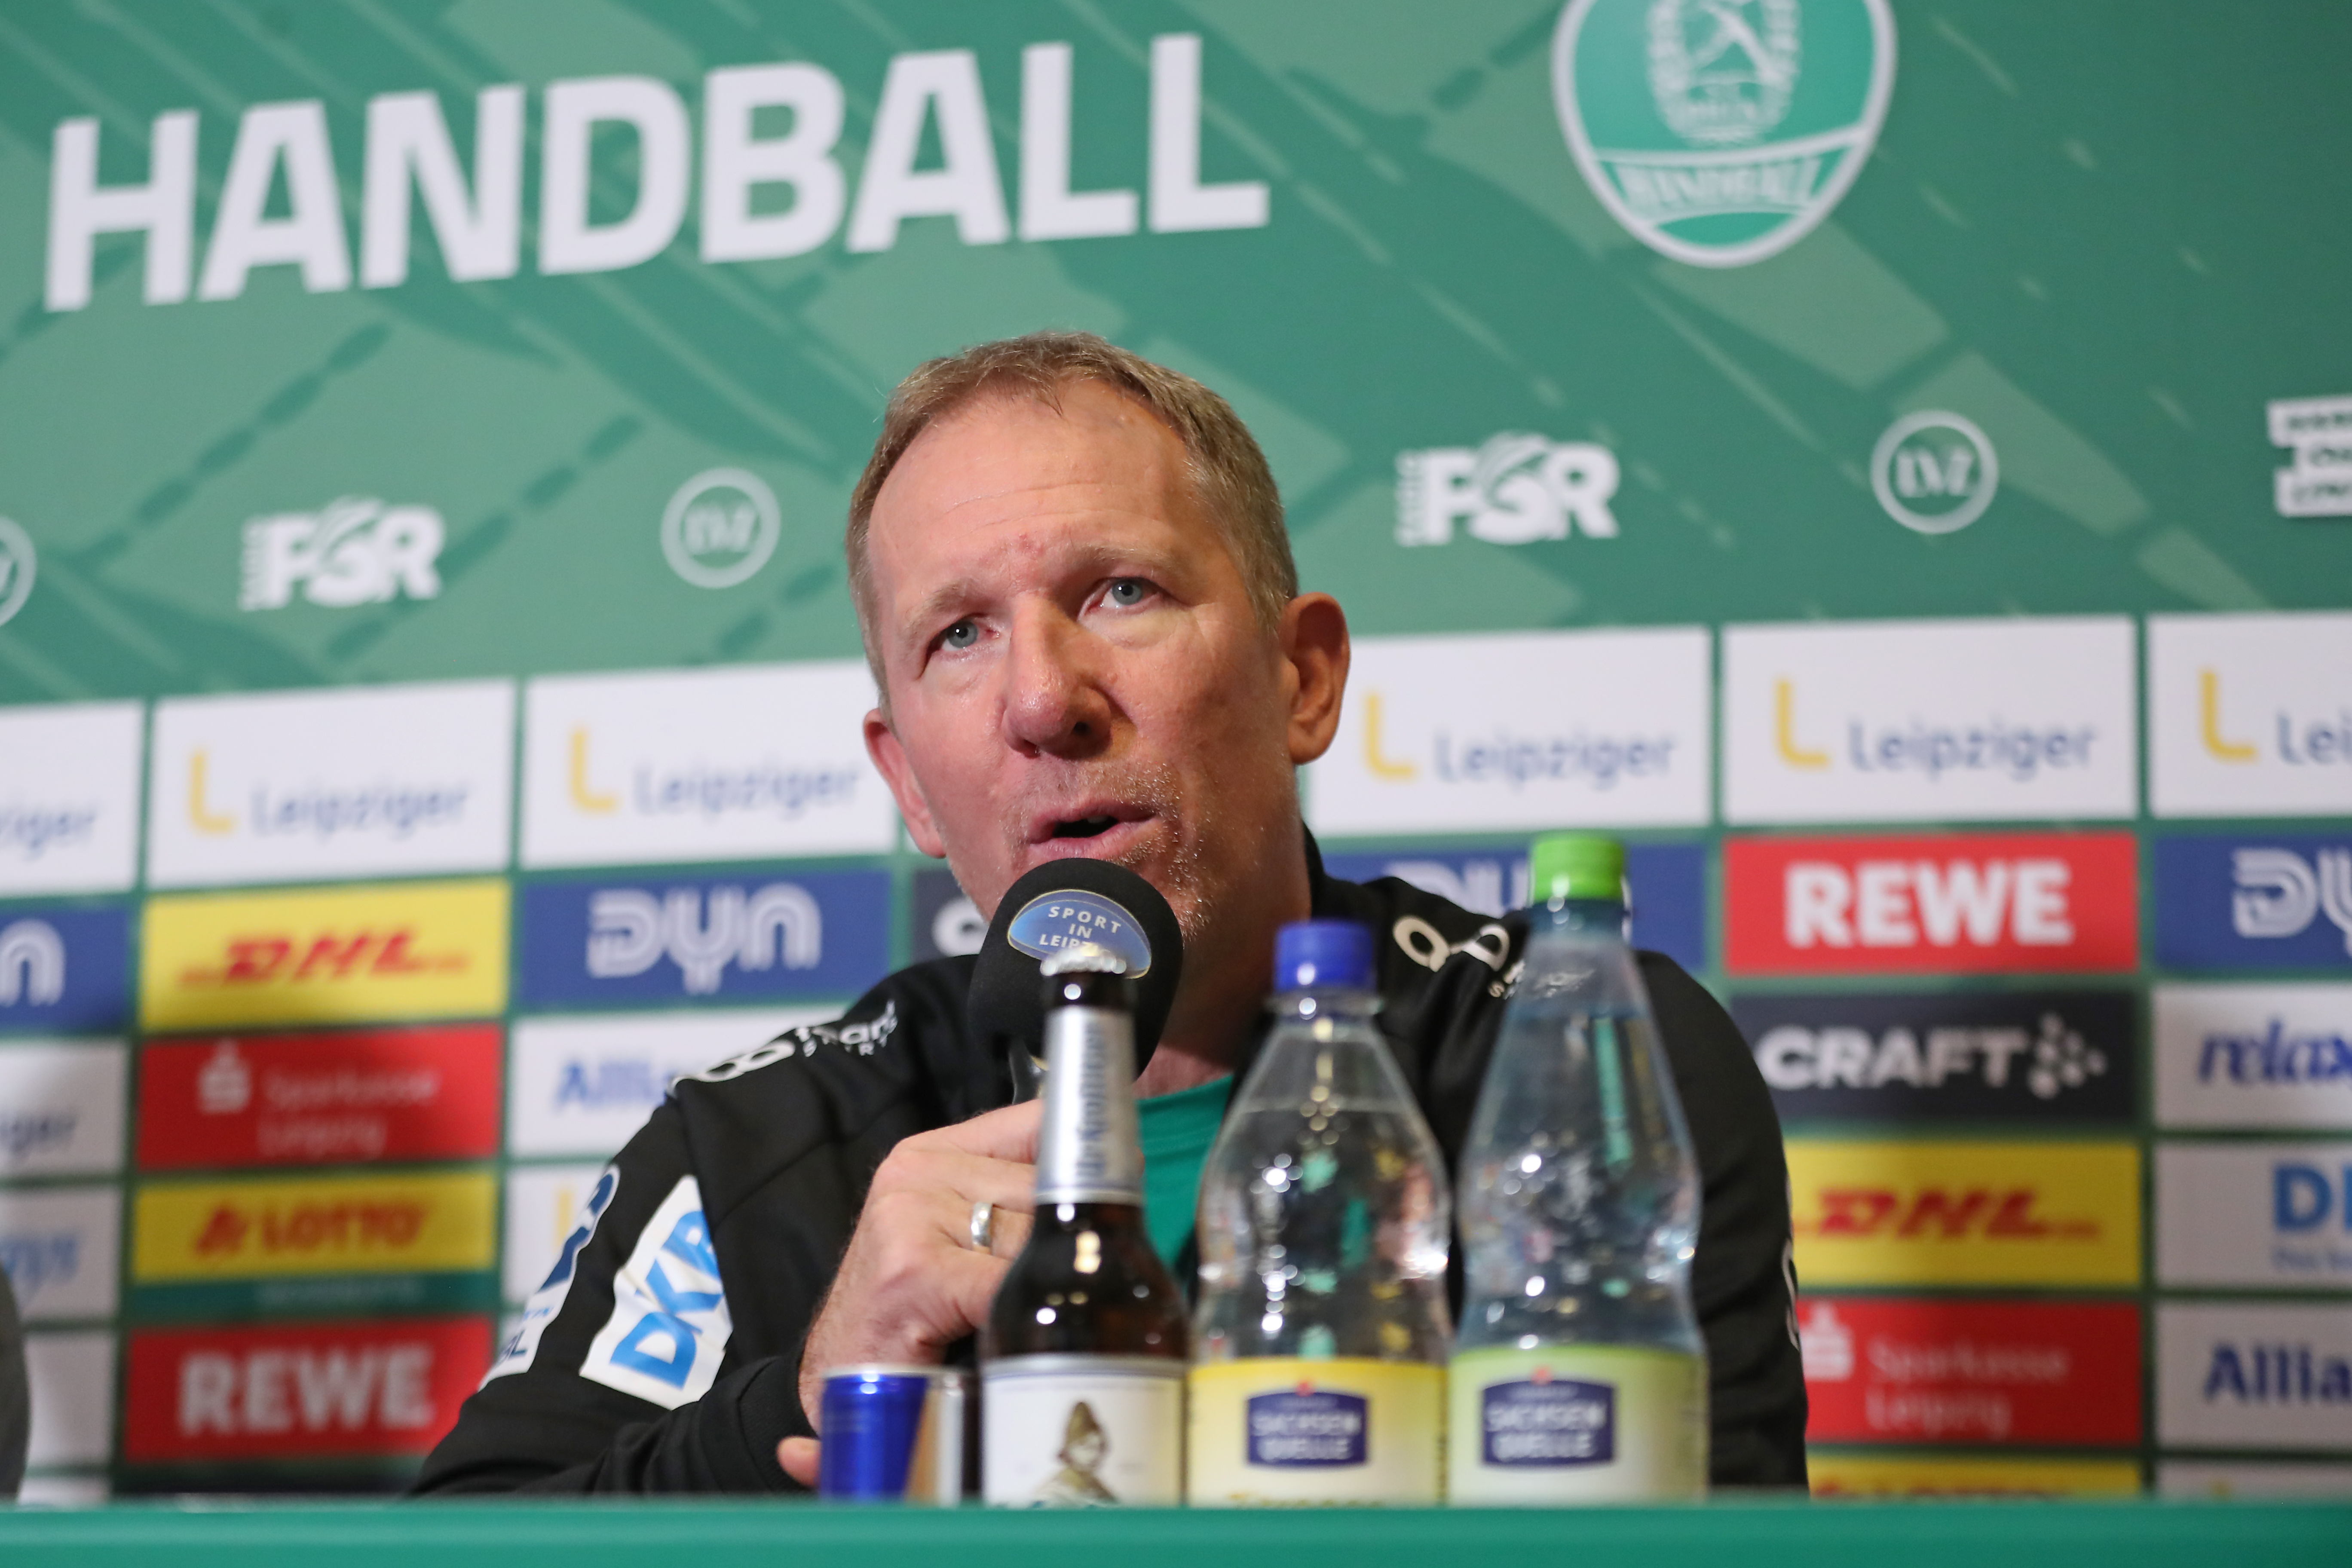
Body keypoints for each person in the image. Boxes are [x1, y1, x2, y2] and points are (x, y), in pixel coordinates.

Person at [413, 332, 1806, 1495]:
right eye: (960, 635)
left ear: (1305, 679)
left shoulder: (1575, 1052)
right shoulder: (759, 1146)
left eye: (1121, 591)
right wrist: (805, 1399)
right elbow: (474, 1536)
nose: (1042, 700)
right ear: (908, 782)